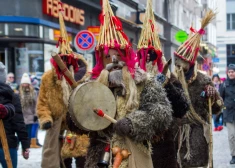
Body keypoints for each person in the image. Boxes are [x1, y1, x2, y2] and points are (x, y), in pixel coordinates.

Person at [75, 1, 173, 167]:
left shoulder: (143, 81)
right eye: (108, 57)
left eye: (118, 57)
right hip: (101, 156)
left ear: (126, 57)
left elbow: (162, 113)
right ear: (101, 59)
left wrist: (133, 122)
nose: (113, 62)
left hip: (134, 153)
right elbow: (76, 120)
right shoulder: (90, 85)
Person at [136, 1, 189, 167]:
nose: (149, 59)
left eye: (152, 54)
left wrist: (167, 85)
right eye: (145, 55)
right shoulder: (132, 78)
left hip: (164, 145)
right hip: (137, 141)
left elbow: (182, 108)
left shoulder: (170, 77)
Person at [37, 6, 89, 168]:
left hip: (79, 127)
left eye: (67, 60)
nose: (64, 63)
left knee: (82, 160)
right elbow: (42, 103)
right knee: (57, 161)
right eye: (62, 60)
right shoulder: (48, 78)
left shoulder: (83, 77)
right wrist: (46, 119)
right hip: (58, 127)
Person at [173, 10, 223, 167]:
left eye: (181, 61)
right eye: (177, 60)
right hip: (177, 136)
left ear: (190, 63)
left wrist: (213, 95)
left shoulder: (204, 80)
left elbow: (217, 109)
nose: (178, 64)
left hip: (198, 136)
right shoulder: (173, 80)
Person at [0, 62, 29, 168]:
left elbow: (18, 122)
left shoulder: (12, 96)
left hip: (7, 143)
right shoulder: (12, 95)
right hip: (9, 143)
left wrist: (25, 144)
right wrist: (25, 145)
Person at [19, 73, 40, 148]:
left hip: (31, 115)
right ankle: (25, 145)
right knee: (23, 132)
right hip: (22, 116)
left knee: (31, 131)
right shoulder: (19, 93)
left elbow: (36, 104)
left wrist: (36, 115)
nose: (25, 85)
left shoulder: (33, 93)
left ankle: (30, 145)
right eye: (23, 83)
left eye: (26, 83)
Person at [219, 64, 235, 164]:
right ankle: (233, 155)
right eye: (229, 72)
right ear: (227, 73)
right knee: (232, 136)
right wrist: (223, 109)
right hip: (229, 114)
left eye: (233, 71)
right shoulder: (224, 85)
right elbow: (220, 100)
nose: (231, 73)